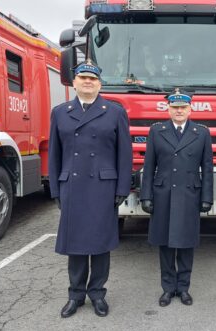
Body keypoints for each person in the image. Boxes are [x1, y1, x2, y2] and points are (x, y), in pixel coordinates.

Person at [48, 61, 132, 318]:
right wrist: (55, 188)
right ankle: (75, 294)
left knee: (99, 243)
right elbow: (54, 153)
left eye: (92, 79)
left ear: (99, 84)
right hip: (72, 185)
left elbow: (124, 154)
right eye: (82, 77)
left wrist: (122, 187)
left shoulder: (114, 112)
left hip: (102, 186)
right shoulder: (60, 112)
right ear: (74, 82)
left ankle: (97, 293)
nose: (87, 82)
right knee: (75, 244)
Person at [140, 88, 214, 307]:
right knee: (165, 244)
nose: (179, 111)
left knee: (186, 244)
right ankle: (167, 289)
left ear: (190, 109)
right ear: (168, 109)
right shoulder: (157, 131)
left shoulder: (201, 133)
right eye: (175, 107)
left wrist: (207, 197)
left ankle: (183, 288)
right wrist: (146, 195)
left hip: (189, 194)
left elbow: (207, 168)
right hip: (163, 194)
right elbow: (149, 165)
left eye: (183, 107)